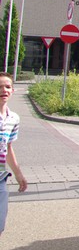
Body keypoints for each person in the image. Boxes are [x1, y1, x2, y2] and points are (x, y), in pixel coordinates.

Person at [1, 71, 28, 236]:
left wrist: (19, 174)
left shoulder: (13, 118)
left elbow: (8, 147)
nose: (3, 90)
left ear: (12, 90)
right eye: (0, 87)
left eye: (7, 86)